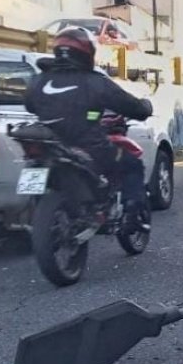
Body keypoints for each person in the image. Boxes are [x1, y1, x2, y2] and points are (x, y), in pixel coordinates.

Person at [24, 27, 154, 229]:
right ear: (87, 52)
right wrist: (145, 107)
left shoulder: (39, 80)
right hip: (91, 148)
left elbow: (29, 105)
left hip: (50, 146)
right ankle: (131, 215)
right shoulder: (95, 82)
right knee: (132, 165)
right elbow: (132, 106)